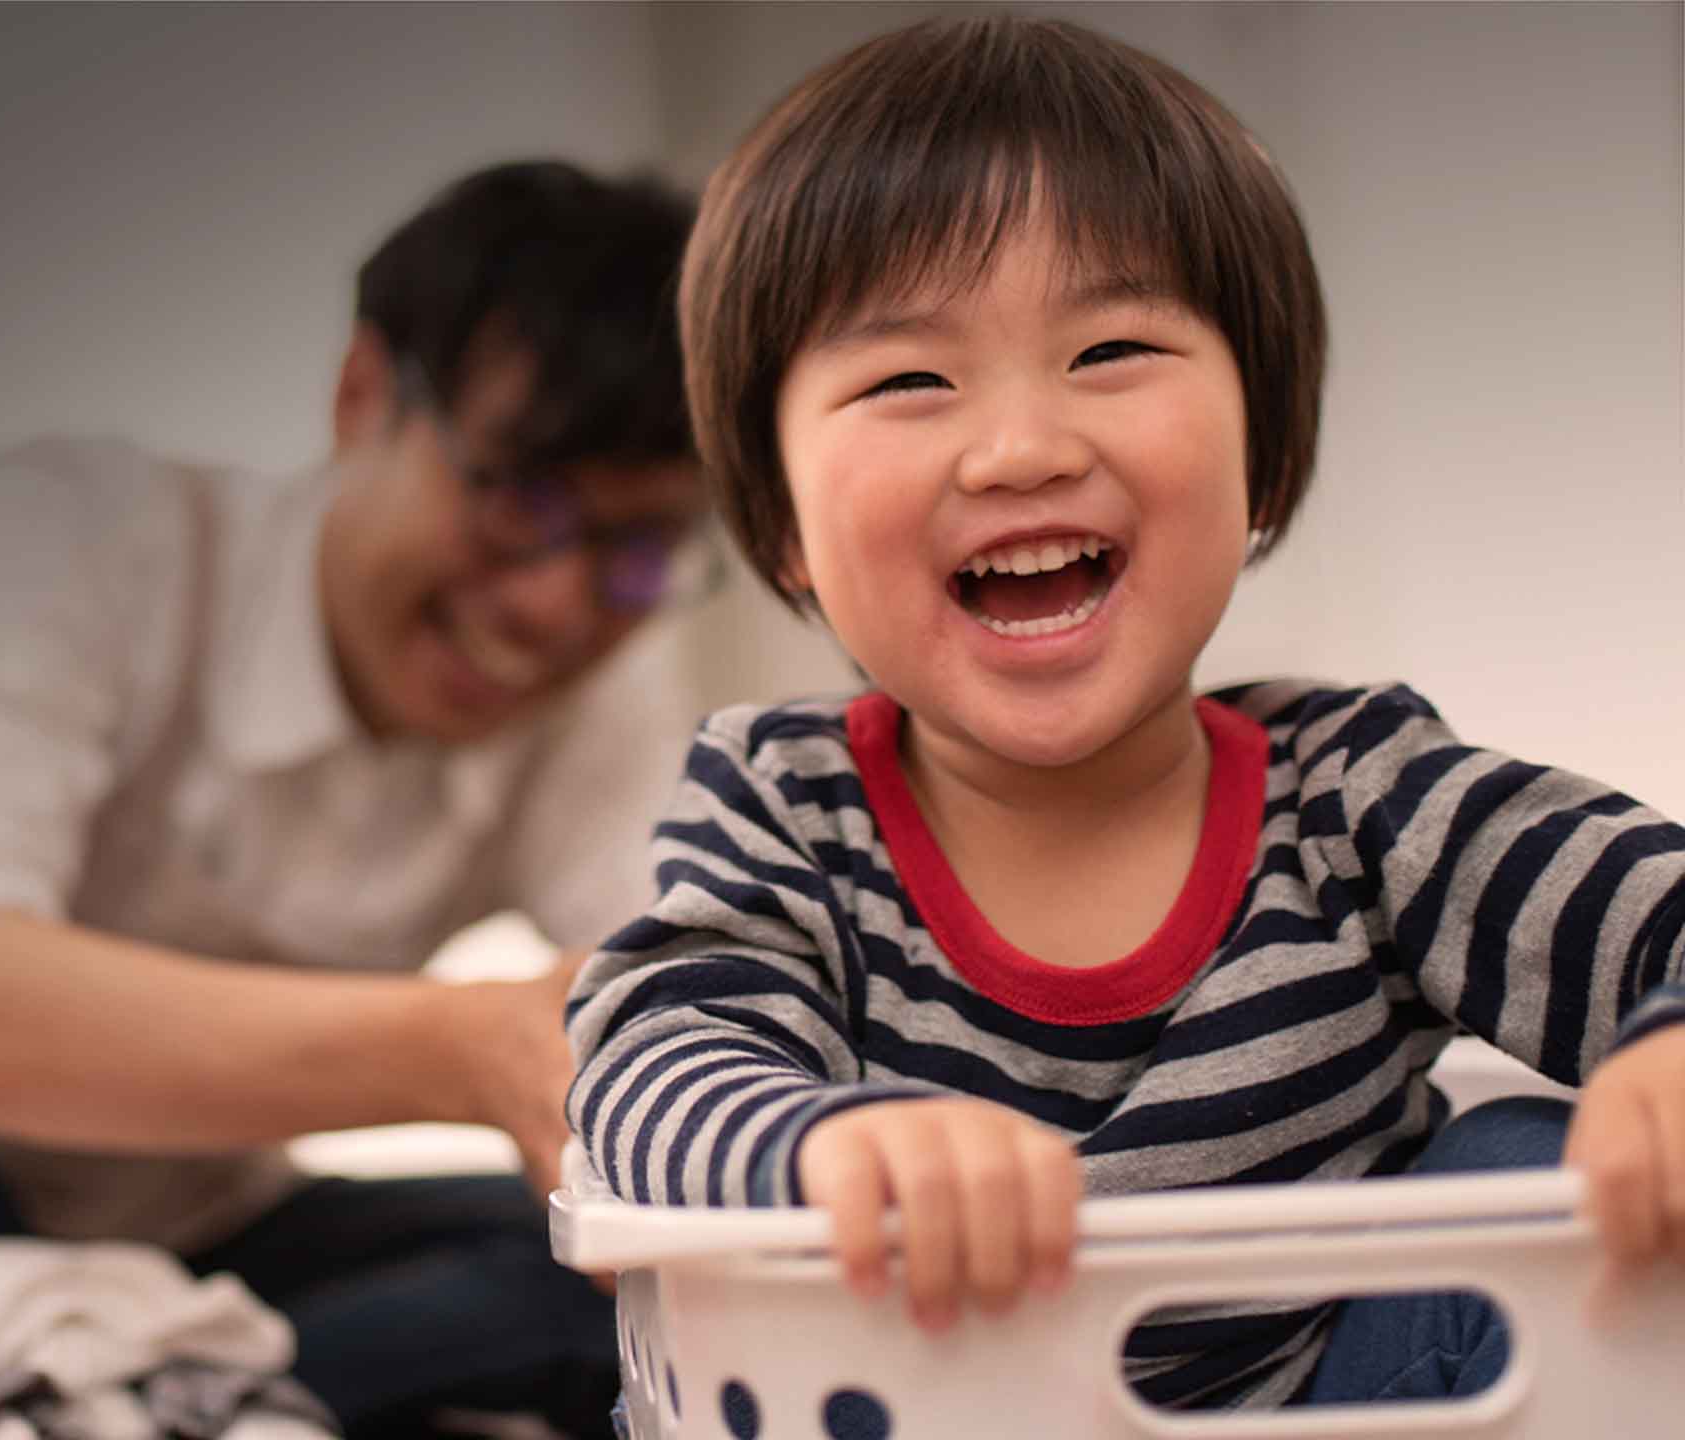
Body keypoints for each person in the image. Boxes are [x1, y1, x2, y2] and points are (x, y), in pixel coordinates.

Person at [566, 14, 1685, 1412]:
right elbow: (652, 1052)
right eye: (910, 378)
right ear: (784, 528)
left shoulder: (1361, 797)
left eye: (1111, 350)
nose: (1025, 445)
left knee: (1531, 1158)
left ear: (1265, 457)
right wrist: (821, 1148)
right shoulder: (783, 807)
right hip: (908, 1403)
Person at [0, 160, 710, 1438]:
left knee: (631, 1283)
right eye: (518, 498)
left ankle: (117, 1396)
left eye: (637, 551)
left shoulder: (598, 687)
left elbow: (685, 970)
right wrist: (465, 1045)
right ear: (362, 394)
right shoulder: (89, 530)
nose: (554, 606)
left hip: (214, 1239)